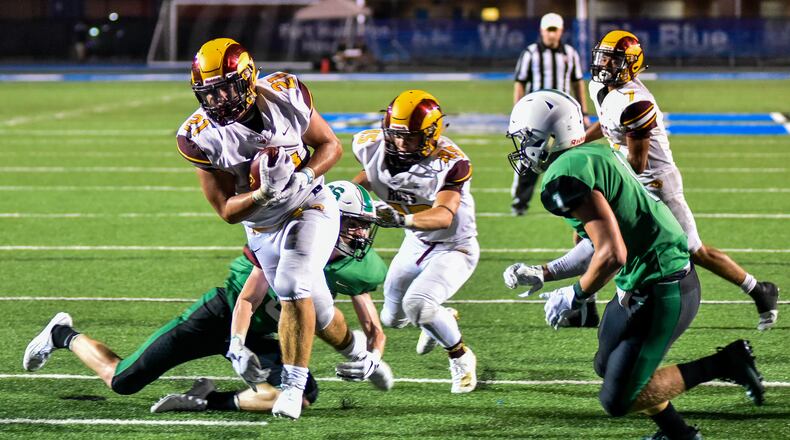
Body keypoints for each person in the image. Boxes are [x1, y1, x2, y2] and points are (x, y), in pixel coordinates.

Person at [504, 89, 765, 440]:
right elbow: (598, 245)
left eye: (526, 138)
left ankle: (725, 364)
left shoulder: (562, 180)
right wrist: (545, 272)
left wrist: (575, 296)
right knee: (606, 365)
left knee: (618, 399)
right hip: (643, 279)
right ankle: (678, 434)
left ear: (549, 137)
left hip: (664, 285)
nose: (522, 147)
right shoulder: (594, 153)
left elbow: (612, 254)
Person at [22, 181, 394, 414]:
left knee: (301, 394)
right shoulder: (292, 240)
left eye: (364, 227)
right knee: (123, 380)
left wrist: (369, 359)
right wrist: (235, 346)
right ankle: (63, 335)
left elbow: (367, 327)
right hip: (223, 314)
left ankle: (203, 399)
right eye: (356, 225)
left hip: (262, 335)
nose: (361, 235)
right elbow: (248, 300)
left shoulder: (353, 265)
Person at [510, 30, 779, 331]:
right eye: (603, 57)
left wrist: (603, 172)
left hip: (654, 181)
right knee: (591, 232)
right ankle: (585, 304)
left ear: (631, 64)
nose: (605, 64)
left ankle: (759, 290)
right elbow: (607, 123)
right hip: (623, 169)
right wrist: (577, 140)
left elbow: (637, 163)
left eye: (613, 60)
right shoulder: (601, 84)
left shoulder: (637, 102)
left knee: (692, 250)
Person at [175, 38, 345, 419]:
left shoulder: (286, 93)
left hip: (309, 203)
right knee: (317, 310)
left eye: (225, 89)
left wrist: (304, 176)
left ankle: (292, 386)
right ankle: (359, 353)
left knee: (290, 283)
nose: (217, 101)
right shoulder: (198, 135)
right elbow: (226, 211)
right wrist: (263, 193)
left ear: (249, 78)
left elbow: (330, 146)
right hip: (262, 226)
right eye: (208, 93)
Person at [351, 90, 479, 394]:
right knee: (392, 318)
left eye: (410, 137)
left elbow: (444, 215)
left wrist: (401, 219)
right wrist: (348, 200)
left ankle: (461, 357)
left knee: (417, 304)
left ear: (431, 134)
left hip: (454, 246)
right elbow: (368, 177)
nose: (401, 143)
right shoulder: (370, 145)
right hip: (416, 243)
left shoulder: (451, 162)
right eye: (396, 135)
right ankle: (441, 316)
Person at [510, 12, 589, 216]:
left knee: (568, 156)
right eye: (548, 30)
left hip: (563, 117)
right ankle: (520, 201)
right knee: (529, 157)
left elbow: (577, 83)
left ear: (561, 31)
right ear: (542, 31)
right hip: (536, 117)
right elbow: (520, 83)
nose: (552, 34)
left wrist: (585, 111)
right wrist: (518, 112)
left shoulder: (570, 53)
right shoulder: (530, 53)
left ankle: (568, 200)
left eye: (555, 30)